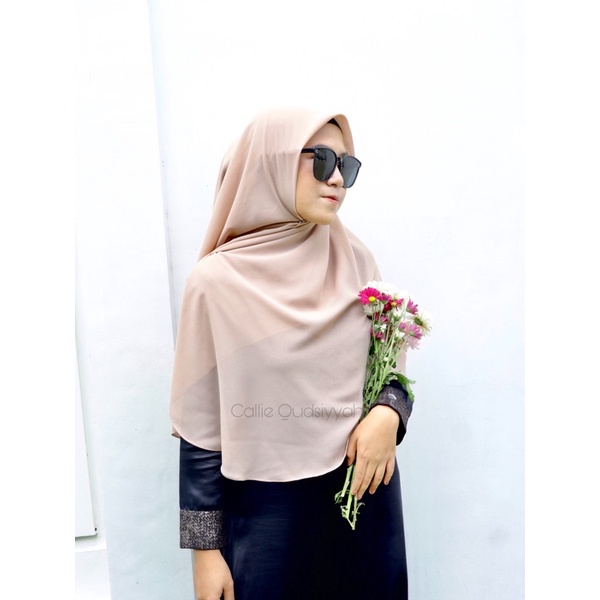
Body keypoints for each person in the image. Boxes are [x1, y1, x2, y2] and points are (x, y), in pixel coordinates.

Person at [169, 108, 413, 600]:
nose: (337, 178)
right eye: (321, 160)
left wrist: (390, 413)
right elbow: (199, 431)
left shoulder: (357, 260)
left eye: (347, 165)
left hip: (365, 496)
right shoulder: (215, 283)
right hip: (267, 519)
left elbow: (388, 367)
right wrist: (204, 552)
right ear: (269, 164)